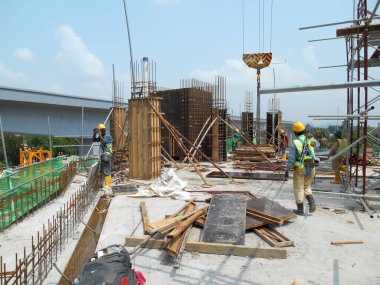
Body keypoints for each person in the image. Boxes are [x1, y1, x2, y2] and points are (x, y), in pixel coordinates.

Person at [284, 122, 316, 215]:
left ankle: (300, 209)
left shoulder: (295, 142)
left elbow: (291, 159)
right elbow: (317, 146)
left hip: (300, 169)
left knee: (298, 188)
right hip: (311, 167)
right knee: (306, 186)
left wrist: (287, 170)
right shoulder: (310, 140)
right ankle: (311, 202)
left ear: (295, 132)